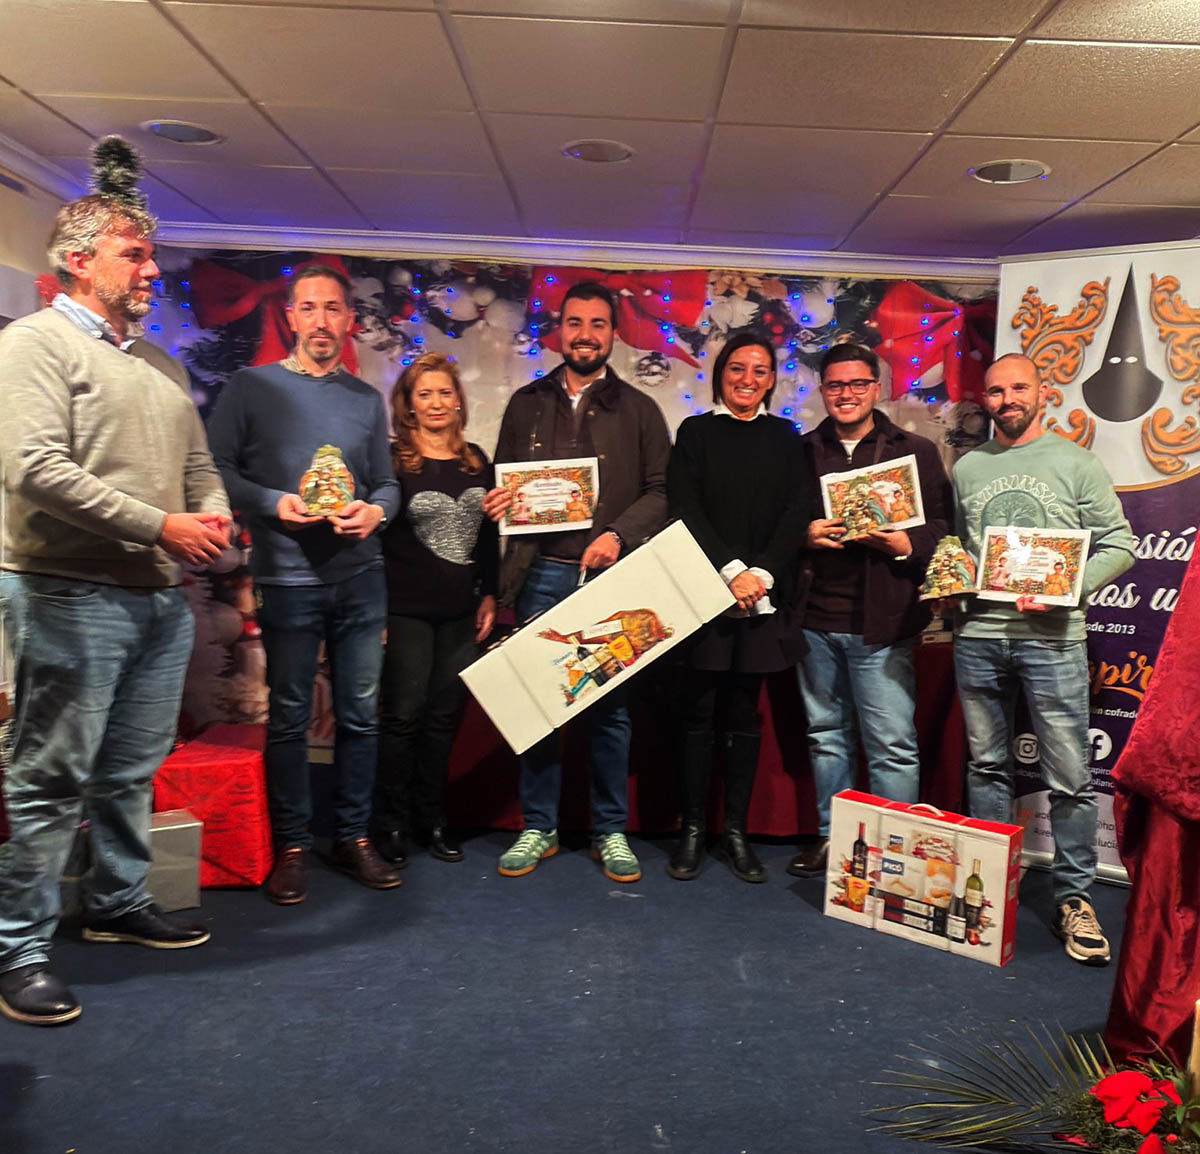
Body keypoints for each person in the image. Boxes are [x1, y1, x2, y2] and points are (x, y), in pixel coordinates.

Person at [0, 144, 232, 1027]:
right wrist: (159, 525)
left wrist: (210, 518)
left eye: (150, 255)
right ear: (77, 259)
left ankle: (117, 902)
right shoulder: (32, 345)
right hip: (65, 591)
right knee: (50, 775)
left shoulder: (163, 367)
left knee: (131, 768)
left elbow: (200, 470)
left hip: (158, 601)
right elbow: (32, 468)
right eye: (134, 254)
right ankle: (19, 950)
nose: (151, 270)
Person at [207, 265, 402, 905]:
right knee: (290, 715)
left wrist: (377, 512)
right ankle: (291, 846)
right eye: (309, 308)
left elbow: (386, 483)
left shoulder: (365, 399)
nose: (321, 321)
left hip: (361, 576)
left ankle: (352, 837)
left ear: (349, 320)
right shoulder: (251, 387)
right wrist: (272, 503)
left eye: (333, 309)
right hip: (287, 578)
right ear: (291, 315)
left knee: (360, 716)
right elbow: (215, 469)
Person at [482, 282, 670, 883]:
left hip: (609, 582)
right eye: (575, 323)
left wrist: (617, 533)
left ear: (613, 334)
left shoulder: (640, 409)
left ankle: (609, 830)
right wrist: (500, 501)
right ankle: (540, 826)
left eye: (597, 324)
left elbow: (662, 491)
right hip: (538, 574)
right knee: (538, 709)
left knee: (610, 713)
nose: (585, 334)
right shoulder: (525, 403)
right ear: (559, 331)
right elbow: (504, 482)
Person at [952, 352, 1135, 965]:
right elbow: (964, 547)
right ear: (985, 399)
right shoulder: (968, 467)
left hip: (1053, 639)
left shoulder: (1077, 463)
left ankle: (1074, 899)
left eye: (1018, 388)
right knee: (986, 767)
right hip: (978, 635)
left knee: (1070, 779)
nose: (1006, 400)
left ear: (1043, 392)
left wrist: (1068, 587)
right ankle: (988, 884)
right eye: (995, 391)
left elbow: (1121, 545)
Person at [788, 343, 952, 878]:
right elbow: (776, 527)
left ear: (876, 389)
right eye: (836, 385)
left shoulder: (915, 451)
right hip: (815, 622)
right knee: (826, 738)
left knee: (892, 745)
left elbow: (943, 528)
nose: (847, 394)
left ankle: (895, 852)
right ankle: (833, 840)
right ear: (822, 391)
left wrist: (905, 543)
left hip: (884, 623)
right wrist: (803, 535)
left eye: (858, 384)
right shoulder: (800, 452)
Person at [665, 332, 809, 882]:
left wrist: (762, 575)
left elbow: (797, 512)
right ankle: (692, 830)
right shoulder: (695, 432)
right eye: (737, 368)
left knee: (746, 716)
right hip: (706, 592)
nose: (747, 379)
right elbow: (685, 508)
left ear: (771, 380)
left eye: (759, 370)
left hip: (764, 597)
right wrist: (730, 571)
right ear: (721, 373)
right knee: (699, 713)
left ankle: (736, 833)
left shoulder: (786, 437)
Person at [370, 354, 498, 867]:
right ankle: (390, 822)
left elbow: (488, 535)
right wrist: (375, 609)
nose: (437, 403)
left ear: (459, 401)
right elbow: (375, 542)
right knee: (403, 717)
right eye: (425, 394)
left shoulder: (477, 460)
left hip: (462, 611)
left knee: (444, 719)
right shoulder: (393, 461)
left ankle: (433, 819)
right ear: (408, 405)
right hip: (405, 610)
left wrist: (490, 593)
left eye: (445, 392)